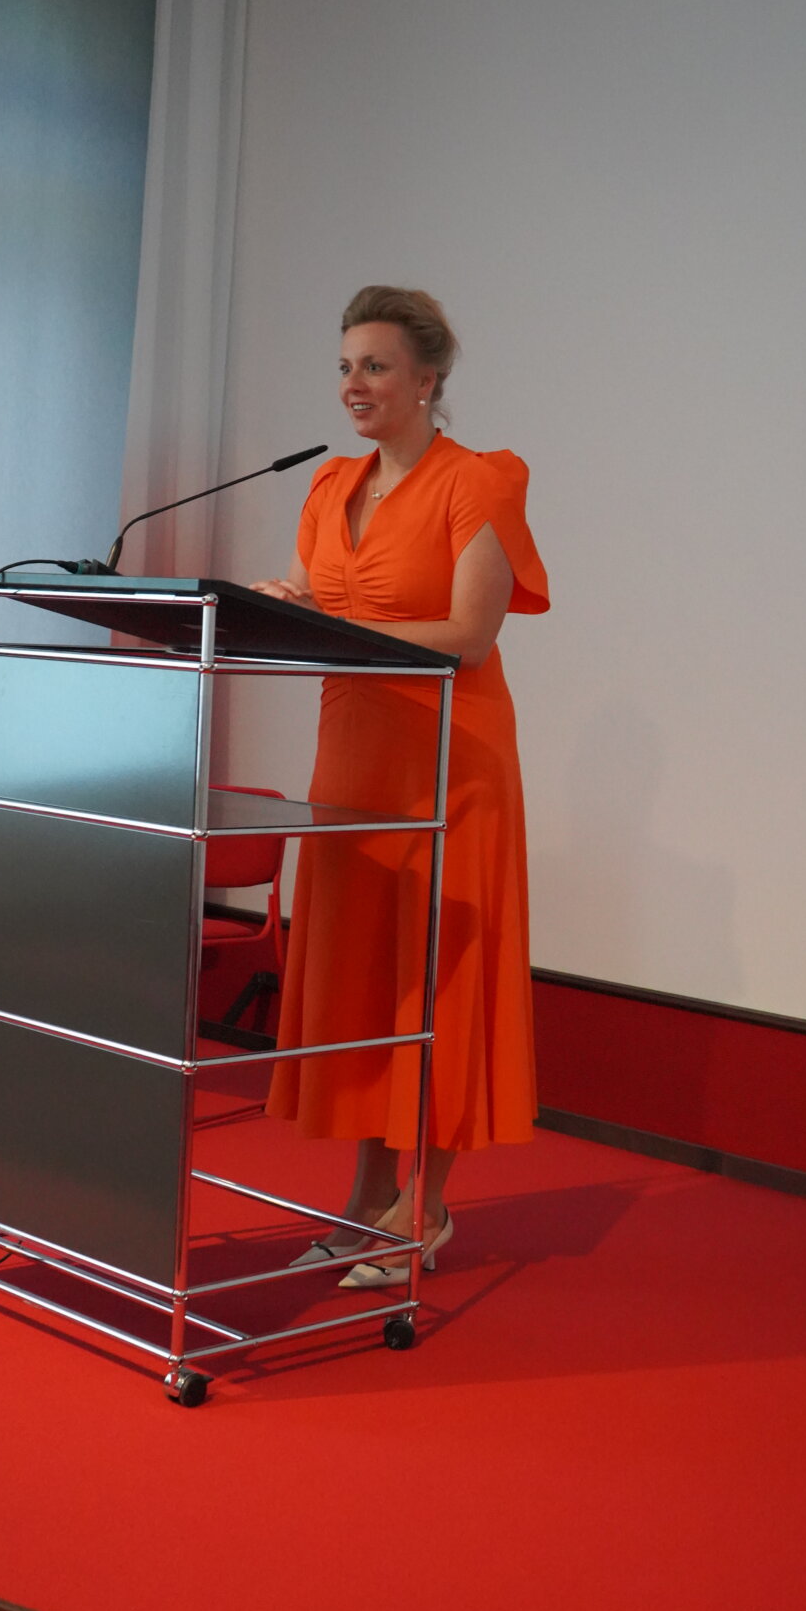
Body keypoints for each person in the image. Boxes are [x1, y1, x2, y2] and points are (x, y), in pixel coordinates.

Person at [250, 285, 549, 1288]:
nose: (354, 385)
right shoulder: (329, 484)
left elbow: (469, 637)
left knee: (436, 979)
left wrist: (330, 625)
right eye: (345, 367)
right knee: (364, 982)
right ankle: (364, 1201)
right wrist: (283, 605)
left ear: (428, 380)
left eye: (375, 367)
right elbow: (318, 597)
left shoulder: (480, 480)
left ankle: (425, 1208)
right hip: (352, 757)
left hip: (448, 764)